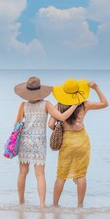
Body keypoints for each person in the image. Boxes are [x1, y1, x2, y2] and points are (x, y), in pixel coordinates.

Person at [14, 77, 79, 208]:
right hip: (39, 142)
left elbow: (17, 124)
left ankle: (21, 202)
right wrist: (74, 105)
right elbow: (61, 117)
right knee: (40, 175)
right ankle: (42, 205)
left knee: (22, 173)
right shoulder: (46, 104)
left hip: (24, 140)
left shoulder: (23, 105)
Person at [48, 78, 109, 208]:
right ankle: (80, 206)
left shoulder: (58, 105)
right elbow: (105, 103)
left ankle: (55, 205)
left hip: (67, 142)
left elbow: (51, 124)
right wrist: (96, 87)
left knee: (61, 175)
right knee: (81, 174)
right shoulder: (84, 104)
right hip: (82, 140)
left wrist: (59, 129)